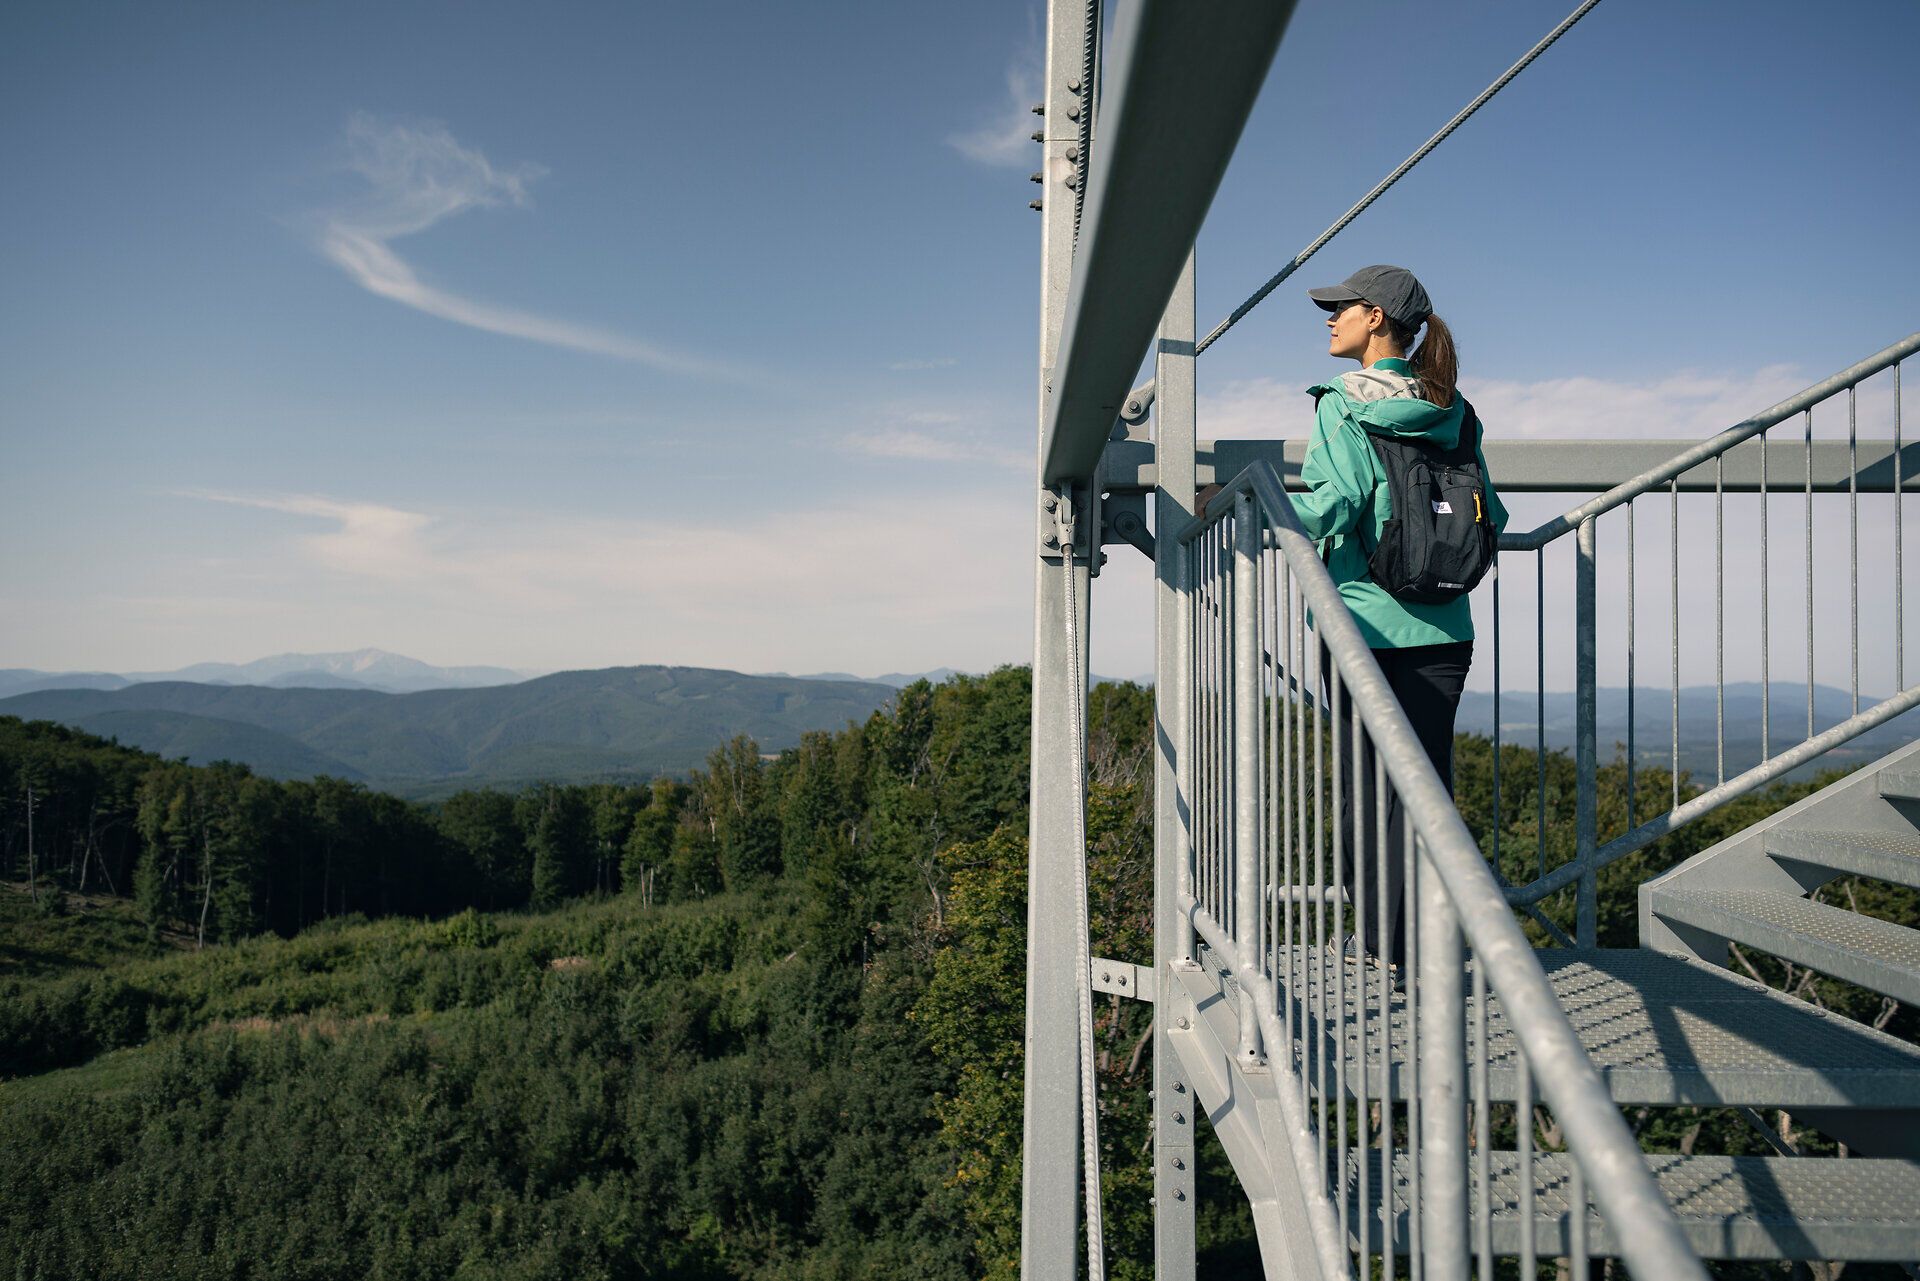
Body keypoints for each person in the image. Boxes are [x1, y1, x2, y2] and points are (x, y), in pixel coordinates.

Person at [1288, 264, 1508, 973]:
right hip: (1448, 630)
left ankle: (1387, 946)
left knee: (1370, 792)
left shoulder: (1341, 404)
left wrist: (1235, 508)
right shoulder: (1454, 408)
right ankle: (1436, 940)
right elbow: (1492, 515)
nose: (1330, 319)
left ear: (1376, 318)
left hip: (1368, 628)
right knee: (1428, 792)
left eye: (1341, 309)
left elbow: (1334, 503)